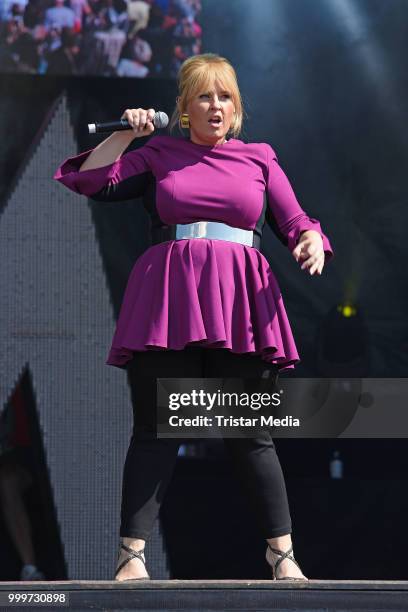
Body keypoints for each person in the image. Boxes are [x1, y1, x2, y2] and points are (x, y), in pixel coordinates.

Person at [53, 52, 334, 582]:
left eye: (225, 96)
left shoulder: (259, 158)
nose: (215, 106)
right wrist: (125, 138)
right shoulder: (159, 151)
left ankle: (282, 556)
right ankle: (131, 557)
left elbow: (296, 219)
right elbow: (90, 181)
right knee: (157, 429)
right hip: (170, 300)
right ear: (183, 107)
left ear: (236, 107)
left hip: (241, 304)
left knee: (249, 431)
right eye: (204, 96)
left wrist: (311, 240)